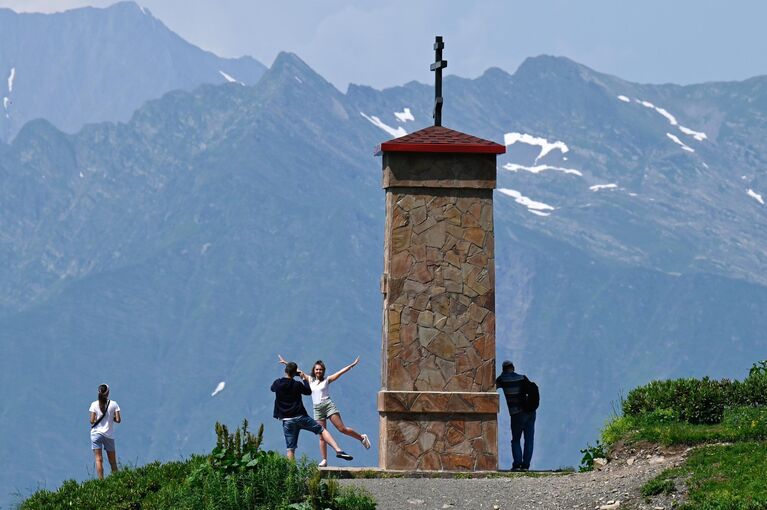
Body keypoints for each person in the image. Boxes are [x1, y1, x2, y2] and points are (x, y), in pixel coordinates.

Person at [271, 360, 353, 462]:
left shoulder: (277, 383)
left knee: (290, 449)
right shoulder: (297, 385)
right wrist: (304, 379)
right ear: (294, 373)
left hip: (287, 421)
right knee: (322, 430)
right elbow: (308, 391)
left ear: (285, 371)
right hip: (301, 417)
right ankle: (338, 450)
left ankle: (291, 474)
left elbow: (272, 389)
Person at [302, 357, 371, 467]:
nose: (318, 371)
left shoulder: (327, 380)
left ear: (323, 371)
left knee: (342, 429)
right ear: (314, 370)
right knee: (321, 435)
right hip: (317, 409)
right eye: (316, 369)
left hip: (328, 406)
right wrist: (286, 363)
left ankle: (362, 438)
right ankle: (324, 460)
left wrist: (352, 365)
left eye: (320, 369)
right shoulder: (310, 379)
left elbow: (340, 373)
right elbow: (296, 370)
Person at [496, 360, 535, 471]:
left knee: (516, 439)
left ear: (503, 369)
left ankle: (517, 464)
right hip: (530, 412)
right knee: (529, 439)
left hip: (516, 414)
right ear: (513, 367)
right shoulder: (522, 378)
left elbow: (492, 386)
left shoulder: (502, 379)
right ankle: (526, 465)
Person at [89, 383, 121, 479]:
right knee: (112, 462)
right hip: (108, 435)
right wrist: (111, 418)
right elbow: (118, 420)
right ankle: (116, 480)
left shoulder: (94, 404)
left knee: (98, 460)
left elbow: (91, 421)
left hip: (96, 434)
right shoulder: (114, 404)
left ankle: (101, 481)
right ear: (108, 393)